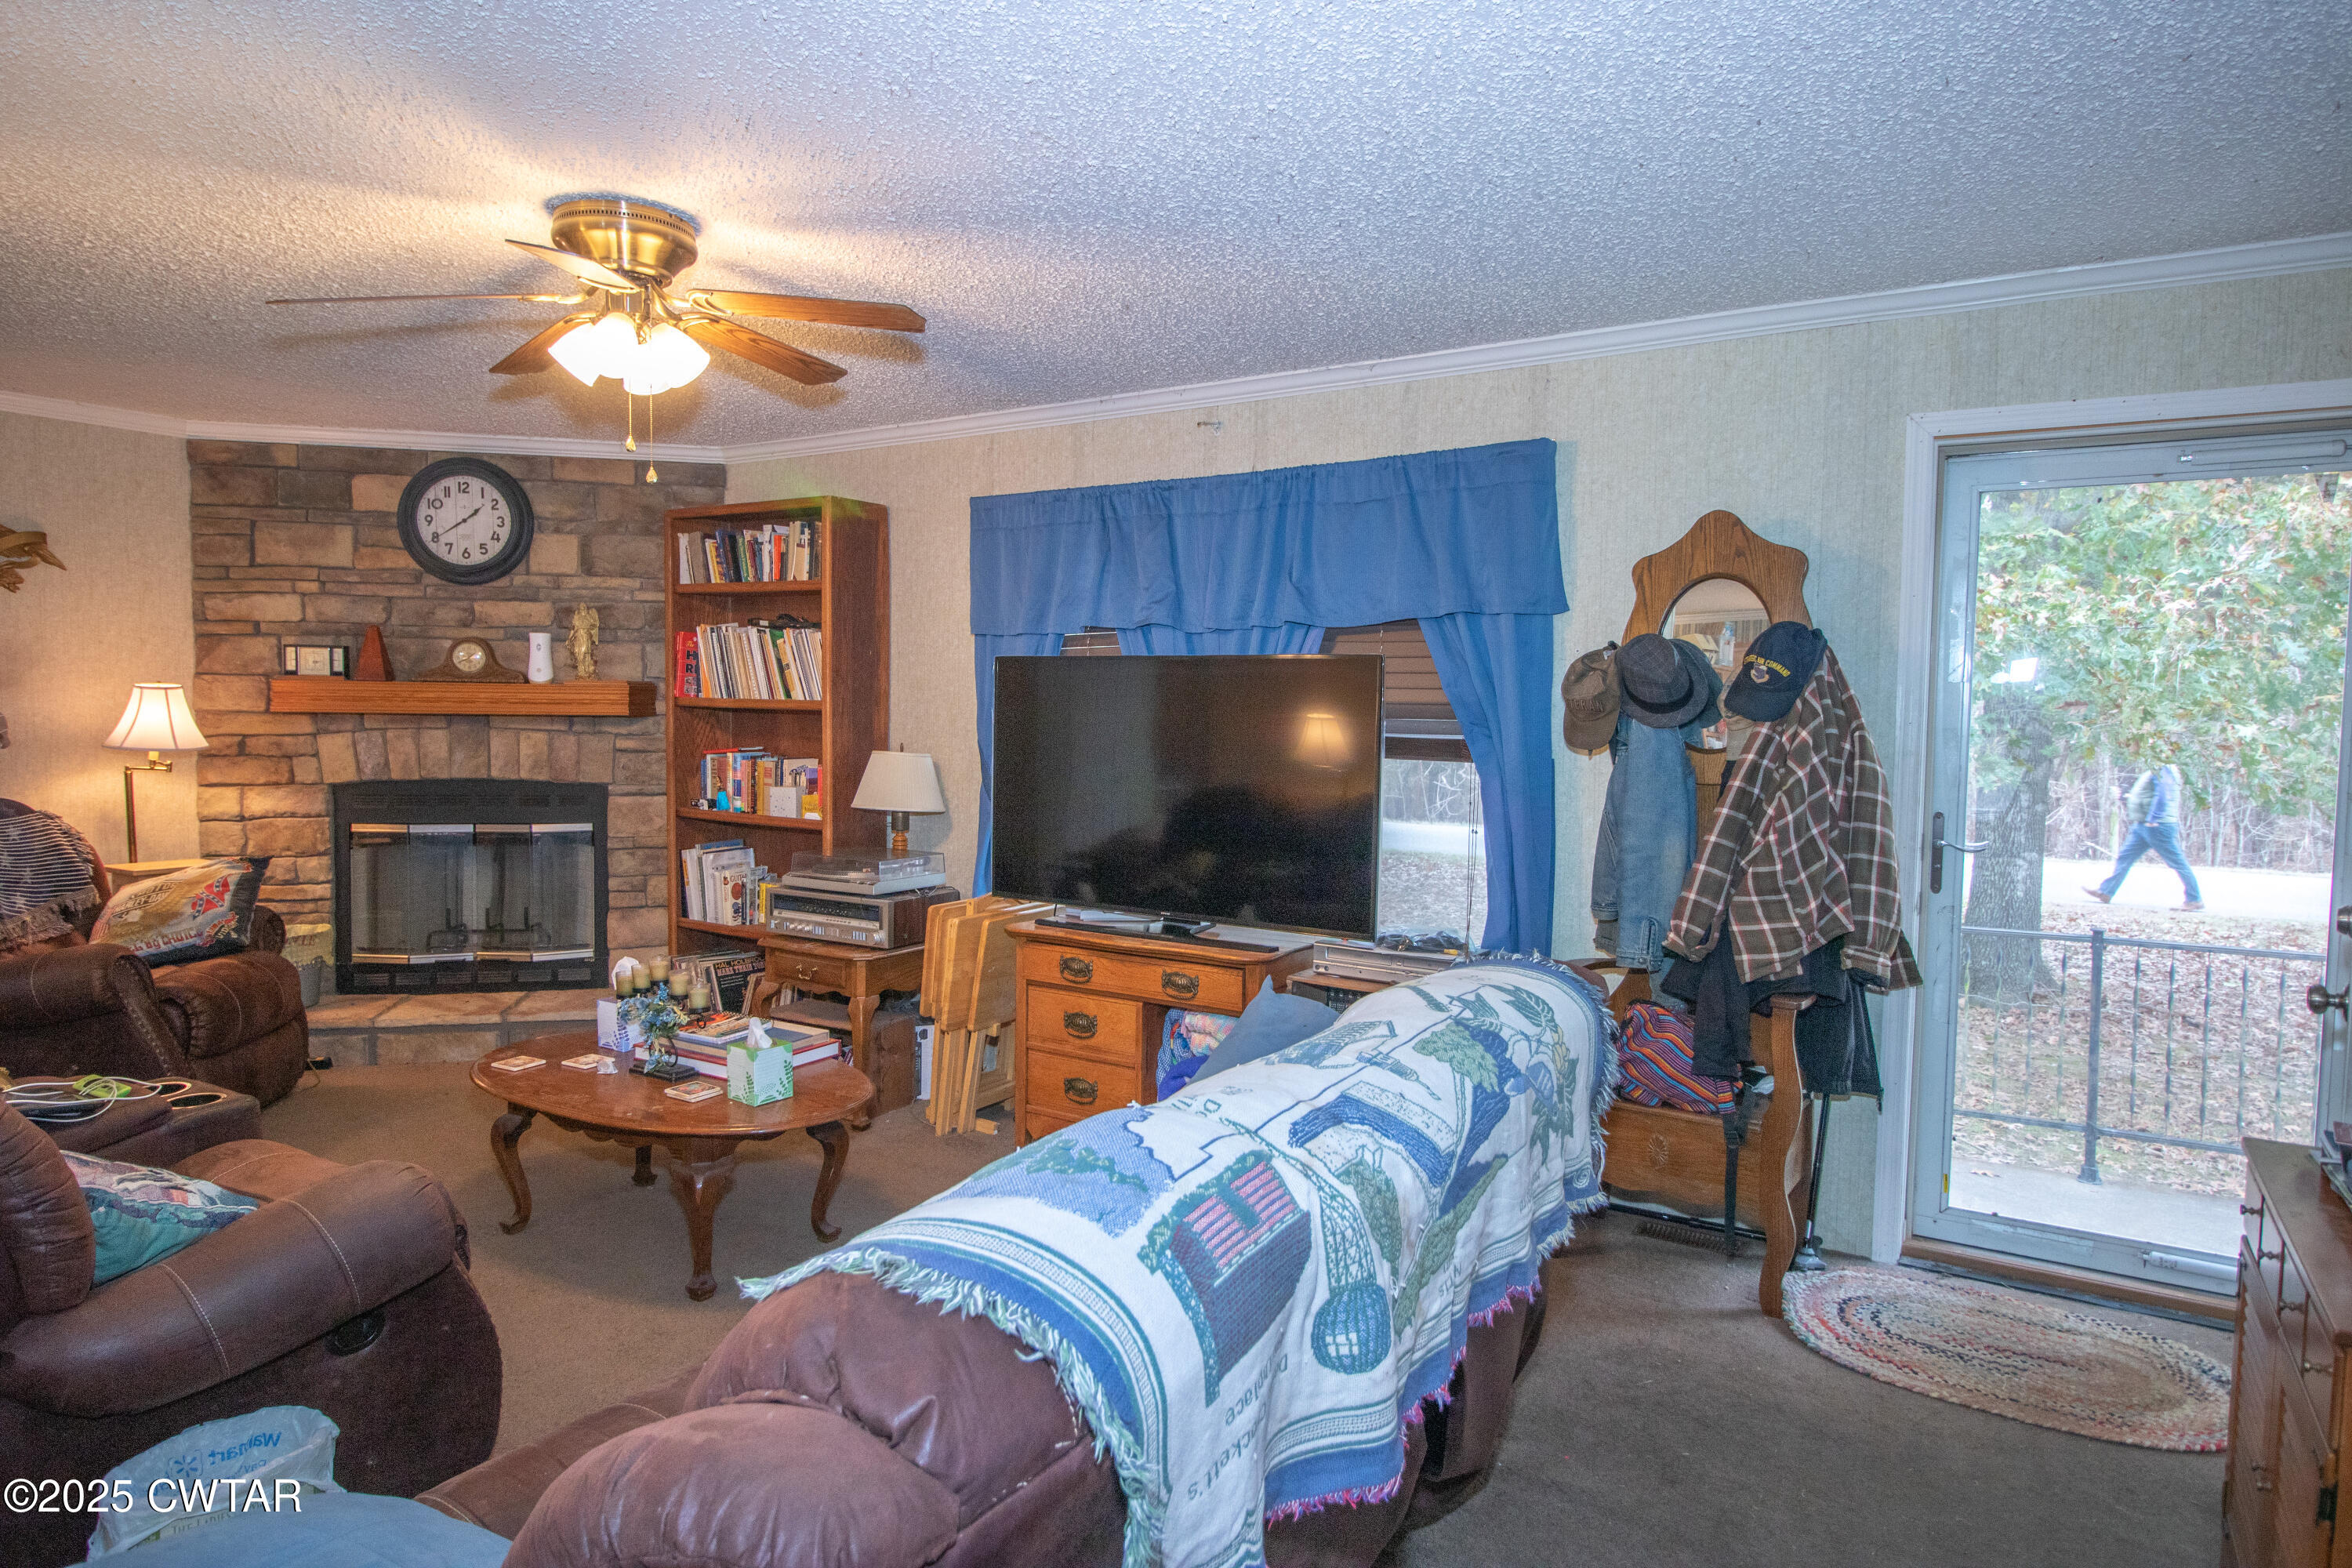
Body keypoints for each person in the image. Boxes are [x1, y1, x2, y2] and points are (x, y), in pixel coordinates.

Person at [2084, 762, 2205, 911]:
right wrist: (2125, 796)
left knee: (2177, 862)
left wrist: (2154, 819)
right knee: (2125, 857)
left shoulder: (2164, 768)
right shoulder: (2155, 767)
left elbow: (2163, 795)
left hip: (2157, 825)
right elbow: (2145, 795)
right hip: (2143, 825)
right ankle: (2106, 892)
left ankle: (2194, 899)